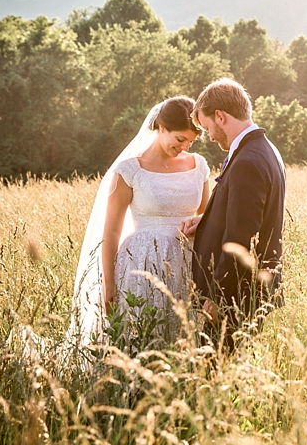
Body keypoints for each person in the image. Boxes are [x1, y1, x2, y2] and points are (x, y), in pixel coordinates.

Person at [69, 96, 210, 349]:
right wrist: (109, 285)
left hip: (188, 264)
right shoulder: (130, 170)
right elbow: (111, 230)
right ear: (162, 128)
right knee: (142, 337)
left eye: (191, 141)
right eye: (180, 139)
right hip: (142, 263)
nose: (185, 146)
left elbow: (207, 217)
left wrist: (198, 222)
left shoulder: (198, 166)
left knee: (182, 339)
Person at [180, 78, 286, 346]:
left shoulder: (247, 161)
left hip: (236, 296)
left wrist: (219, 297)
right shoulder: (265, 150)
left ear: (220, 116)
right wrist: (207, 220)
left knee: (215, 377)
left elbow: (241, 236)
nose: (211, 136)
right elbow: (249, 215)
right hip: (248, 292)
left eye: (207, 127)